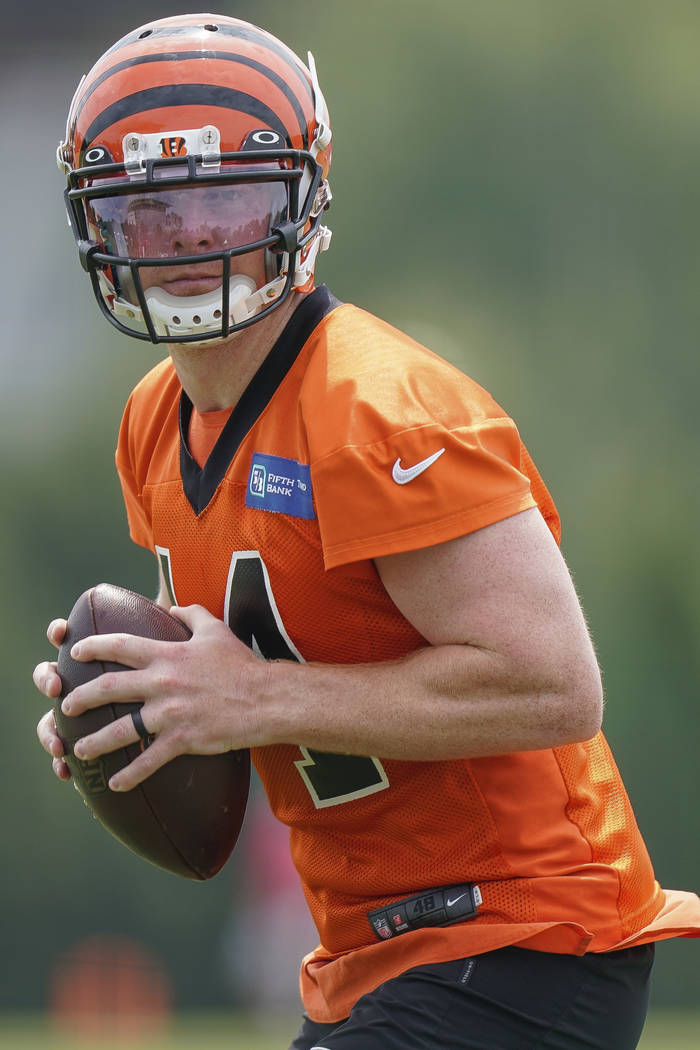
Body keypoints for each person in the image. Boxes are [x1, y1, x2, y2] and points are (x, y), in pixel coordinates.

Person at [34, 14, 700, 1050]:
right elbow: (258, 655)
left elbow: (554, 684)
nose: (195, 239)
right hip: (374, 955)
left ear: (303, 199)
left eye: (231, 198)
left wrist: (248, 698)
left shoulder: (378, 408)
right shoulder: (149, 427)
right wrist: (143, 707)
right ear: (100, 226)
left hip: (525, 938)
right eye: (152, 208)